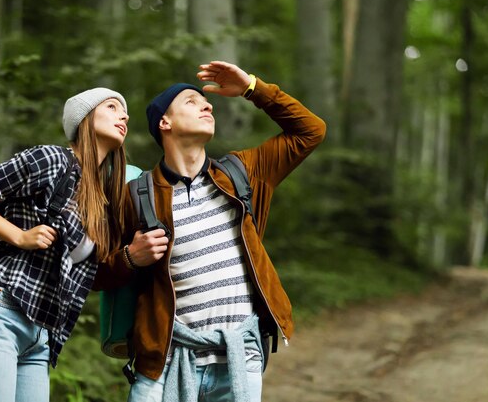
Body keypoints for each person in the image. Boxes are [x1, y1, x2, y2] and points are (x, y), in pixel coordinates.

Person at [95, 61, 326, 402]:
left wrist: (251, 87)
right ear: (165, 122)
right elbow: (95, 273)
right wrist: (131, 257)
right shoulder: (137, 195)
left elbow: (311, 130)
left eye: (205, 101)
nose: (207, 104)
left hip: (238, 356)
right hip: (164, 357)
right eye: (191, 101)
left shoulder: (241, 173)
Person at [0, 87, 137, 402]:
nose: (124, 116)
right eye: (113, 107)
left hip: (40, 338)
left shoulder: (99, 201)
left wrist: (132, 256)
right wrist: (18, 236)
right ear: (85, 119)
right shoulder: (51, 160)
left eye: (125, 112)